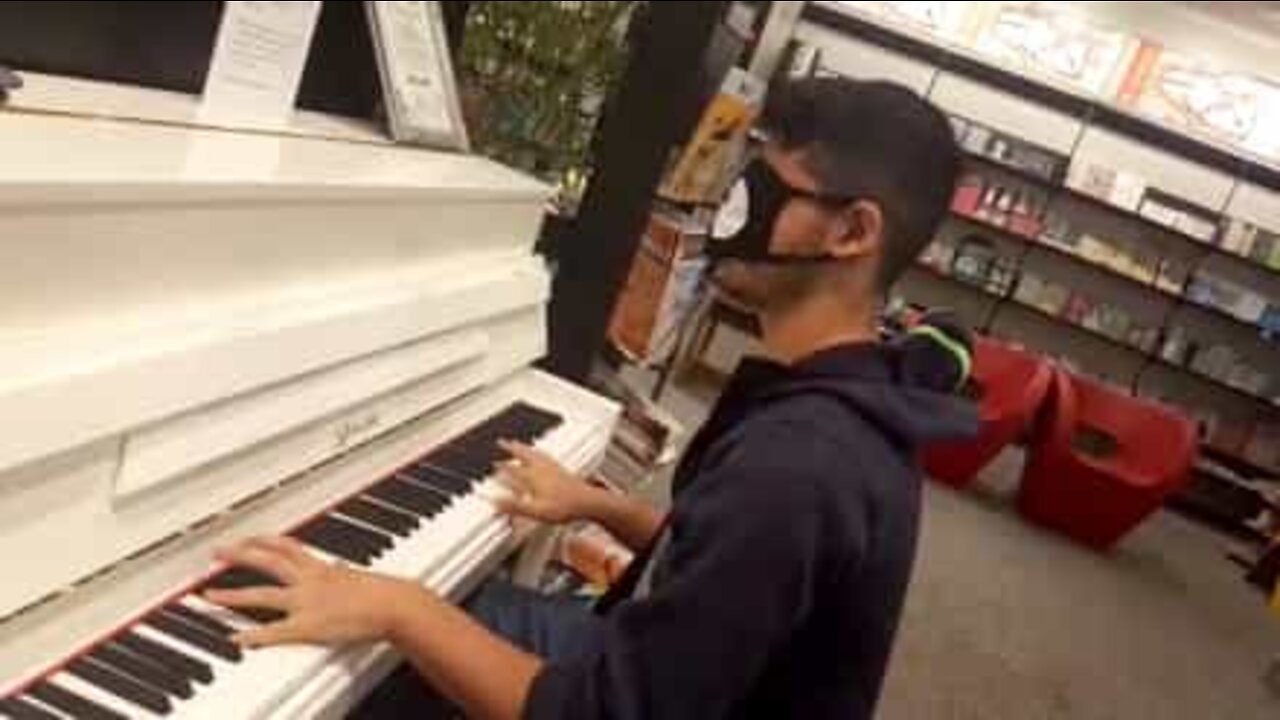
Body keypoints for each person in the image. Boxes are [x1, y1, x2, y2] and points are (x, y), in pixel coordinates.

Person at [206, 77, 977, 720]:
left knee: (377, 667)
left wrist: (400, 606)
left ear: (851, 232)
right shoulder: (841, 390)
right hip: (661, 663)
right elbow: (720, 564)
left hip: (626, 694)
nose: (730, 208)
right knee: (459, 615)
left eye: (768, 188)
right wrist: (596, 503)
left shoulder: (802, 465)